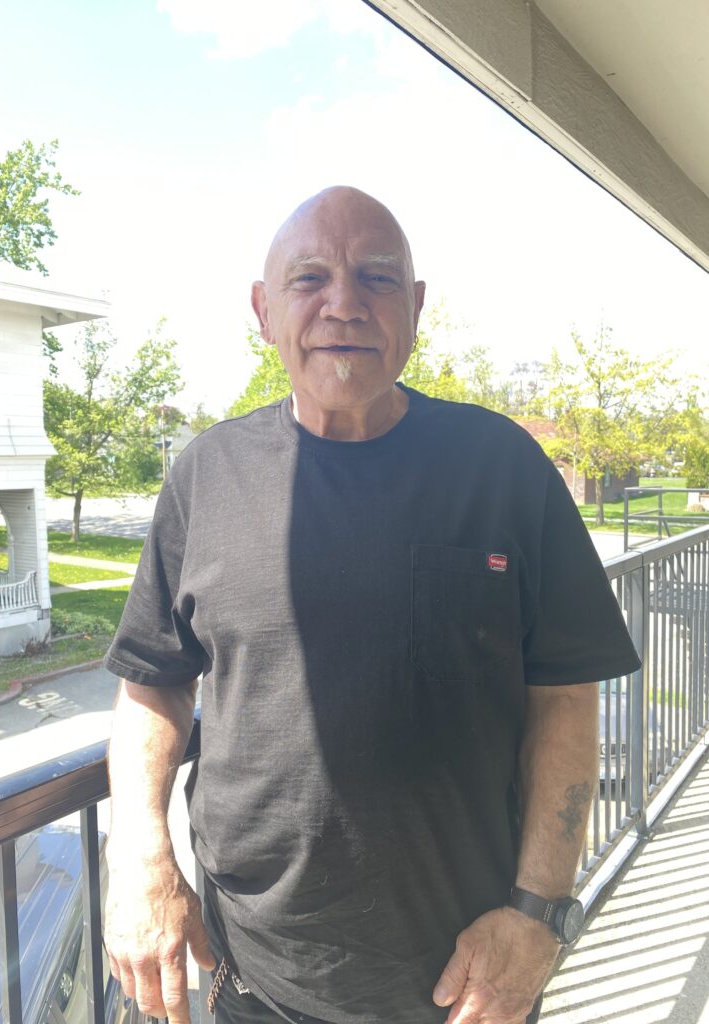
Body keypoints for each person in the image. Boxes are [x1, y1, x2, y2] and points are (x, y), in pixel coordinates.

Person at [103, 186, 640, 1024]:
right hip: (249, 979)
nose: (344, 304)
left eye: (378, 279)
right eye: (309, 277)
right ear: (263, 309)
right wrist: (139, 852)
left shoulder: (503, 467)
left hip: (467, 987)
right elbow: (152, 683)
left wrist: (539, 916)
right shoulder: (205, 475)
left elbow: (566, 697)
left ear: (416, 308)